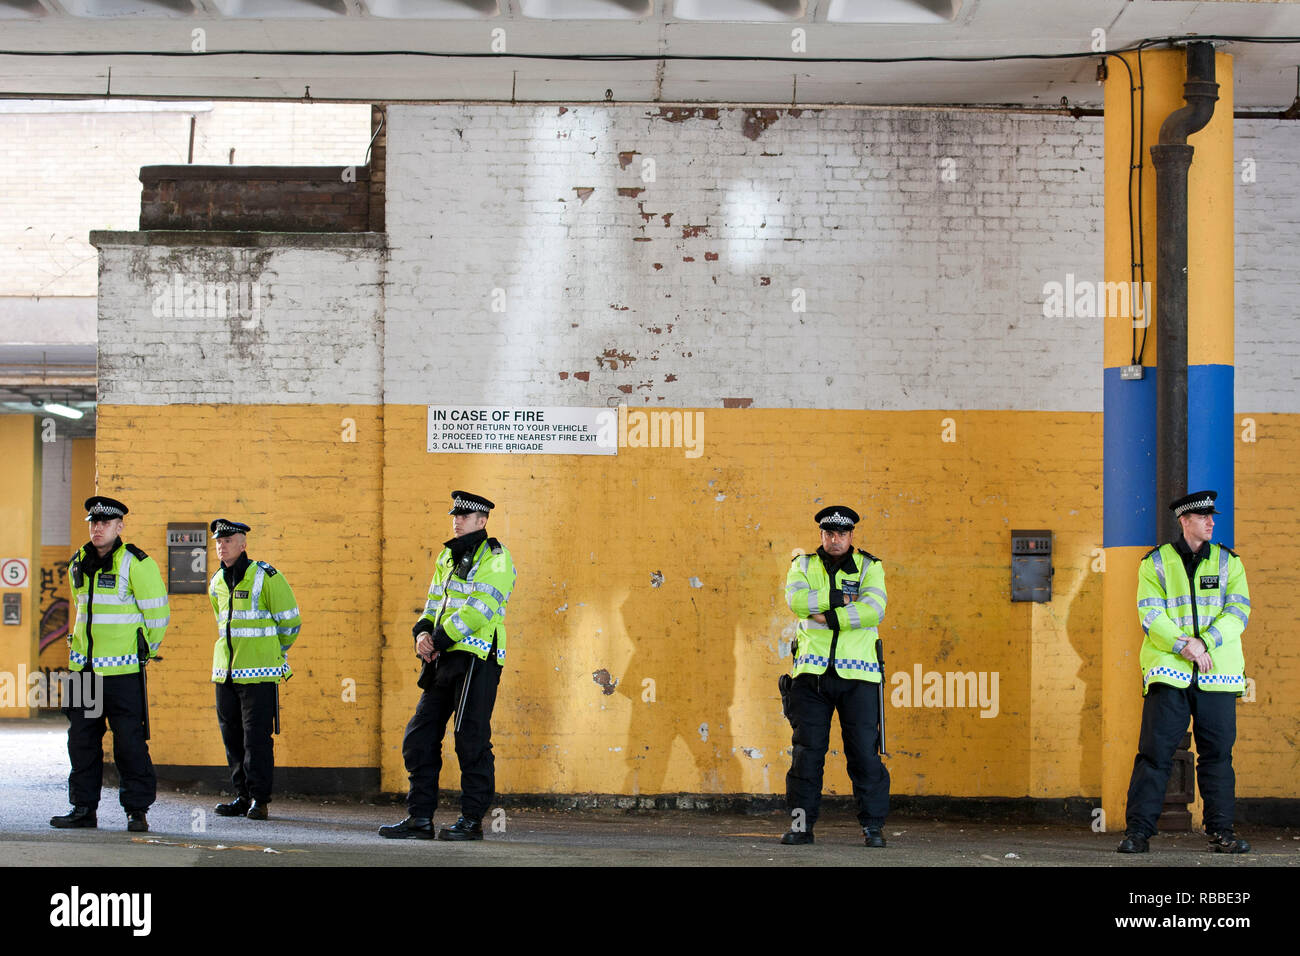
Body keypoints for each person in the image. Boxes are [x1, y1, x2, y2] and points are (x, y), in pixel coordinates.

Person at [1117, 490, 1251, 854]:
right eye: (1204, 516)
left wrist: (1204, 642)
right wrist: (1185, 646)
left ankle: (1222, 833)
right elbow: (1150, 614)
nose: (1211, 522)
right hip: (1170, 672)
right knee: (1154, 754)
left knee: (1218, 756)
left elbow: (1238, 613)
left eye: (1212, 516)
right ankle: (1138, 834)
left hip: (1217, 673)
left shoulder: (1229, 563)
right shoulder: (1155, 563)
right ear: (1184, 521)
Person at [381, 491, 516, 841]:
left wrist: (438, 639)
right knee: (419, 737)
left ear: (481, 521)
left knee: (470, 739)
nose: (456, 520)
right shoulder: (447, 555)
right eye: (454, 515)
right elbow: (433, 602)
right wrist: (422, 633)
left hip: (477, 657)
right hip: (442, 658)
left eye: (464, 516)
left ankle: (471, 822)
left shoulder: (496, 558)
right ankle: (419, 819)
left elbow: (480, 609)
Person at [50, 496, 169, 833]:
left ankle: (137, 811)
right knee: (81, 742)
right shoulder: (79, 561)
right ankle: (83, 809)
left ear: (119, 527)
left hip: (123, 671)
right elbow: (83, 611)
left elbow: (158, 615)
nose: (97, 527)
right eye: (93, 522)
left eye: (105, 523)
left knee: (129, 741)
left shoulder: (136, 563)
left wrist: (142, 651)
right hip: (82, 670)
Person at [780, 505, 890, 848]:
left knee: (864, 754)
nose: (835, 539)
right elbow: (797, 601)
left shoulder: (871, 567)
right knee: (806, 754)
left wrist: (829, 615)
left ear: (851, 536)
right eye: (829, 533)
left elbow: (875, 609)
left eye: (842, 534)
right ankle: (801, 826)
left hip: (860, 676)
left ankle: (873, 827)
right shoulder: (802, 565)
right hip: (810, 676)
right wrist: (843, 598)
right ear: (821, 535)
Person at [207, 518, 301, 821]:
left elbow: (290, 622)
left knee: (256, 739)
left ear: (243, 544)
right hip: (226, 673)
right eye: (218, 542)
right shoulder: (216, 582)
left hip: (259, 672)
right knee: (231, 736)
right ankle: (241, 795)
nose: (222, 546)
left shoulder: (266, 577)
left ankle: (259, 799)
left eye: (228, 540)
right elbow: (224, 625)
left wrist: (275, 651)